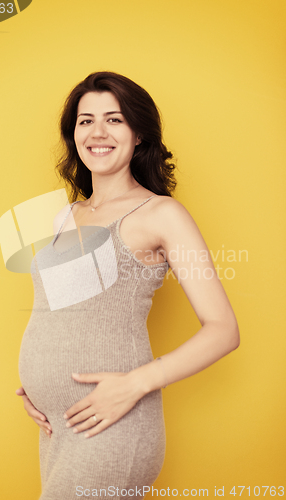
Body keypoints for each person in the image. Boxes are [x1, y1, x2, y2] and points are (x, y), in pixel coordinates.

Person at [16, 71, 240, 499]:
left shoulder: (161, 215)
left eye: (114, 120)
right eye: (85, 121)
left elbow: (223, 330)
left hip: (114, 422)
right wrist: (36, 386)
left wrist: (135, 384)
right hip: (57, 425)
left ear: (139, 134)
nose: (98, 132)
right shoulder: (62, 217)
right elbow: (58, 316)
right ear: (73, 134)